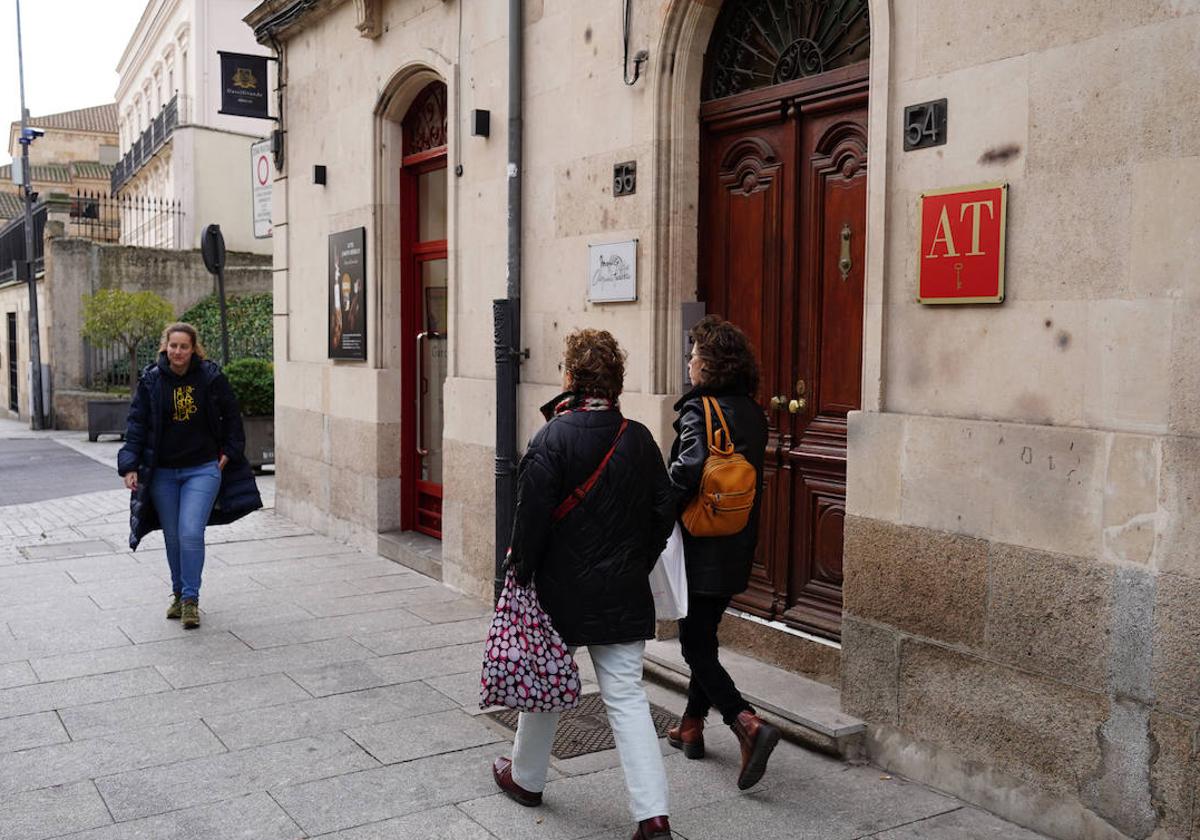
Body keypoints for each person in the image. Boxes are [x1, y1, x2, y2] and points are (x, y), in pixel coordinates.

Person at [491, 328, 676, 840]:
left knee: (545, 681)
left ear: (571, 378)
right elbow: (665, 512)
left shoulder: (551, 437)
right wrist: (635, 559)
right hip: (621, 589)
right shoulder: (638, 437)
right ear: (615, 383)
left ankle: (526, 779)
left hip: (558, 591)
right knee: (626, 696)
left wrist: (520, 575)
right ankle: (653, 815)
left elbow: (528, 522)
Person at [666, 315, 780, 790]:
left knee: (694, 644)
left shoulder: (701, 410)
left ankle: (745, 722)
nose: (689, 363)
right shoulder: (754, 413)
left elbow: (686, 473)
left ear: (709, 364)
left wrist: (654, 512)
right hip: (737, 543)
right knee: (706, 635)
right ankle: (691, 727)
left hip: (699, 544)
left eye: (693, 355)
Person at [117, 322, 262, 629]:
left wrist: (228, 455)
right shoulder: (152, 381)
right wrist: (129, 465)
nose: (178, 352)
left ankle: (191, 600)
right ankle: (178, 593)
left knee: (191, 532)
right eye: (173, 346)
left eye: (184, 346)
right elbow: (137, 425)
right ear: (165, 347)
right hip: (163, 474)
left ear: (194, 348)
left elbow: (232, 419)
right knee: (173, 536)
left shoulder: (210, 377)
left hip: (203, 469)